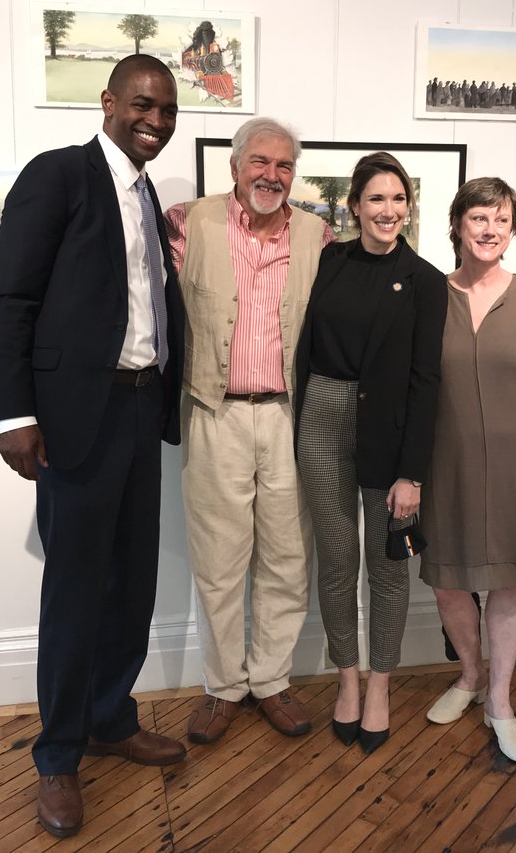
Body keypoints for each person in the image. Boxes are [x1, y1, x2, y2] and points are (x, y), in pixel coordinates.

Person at [0, 54, 187, 839]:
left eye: (167, 110)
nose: (155, 121)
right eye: (142, 104)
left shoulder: (145, 192)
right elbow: (8, 301)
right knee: (74, 591)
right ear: (108, 102)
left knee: (131, 583)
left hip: (139, 408)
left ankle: (109, 718)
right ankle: (58, 756)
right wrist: (15, 414)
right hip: (74, 417)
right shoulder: (58, 175)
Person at [165, 118, 333, 746]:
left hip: (291, 415)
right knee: (219, 558)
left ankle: (271, 679)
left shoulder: (318, 234)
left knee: (288, 556)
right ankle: (223, 684)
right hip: (215, 411)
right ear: (235, 166)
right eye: (259, 162)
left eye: (284, 165)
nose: (271, 175)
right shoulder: (188, 223)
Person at [295, 152, 447, 754]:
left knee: (386, 565)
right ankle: (347, 680)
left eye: (399, 198)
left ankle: (380, 684)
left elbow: (426, 381)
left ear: (409, 206)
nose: (389, 210)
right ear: (355, 205)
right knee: (336, 557)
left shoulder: (425, 280)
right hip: (322, 419)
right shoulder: (329, 262)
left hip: (390, 428)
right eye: (377, 198)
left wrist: (412, 473)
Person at [420, 178, 516, 763]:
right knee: (447, 575)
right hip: (442, 453)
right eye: (479, 217)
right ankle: (470, 675)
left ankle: (500, 700)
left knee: (508, 576)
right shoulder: (430, 295)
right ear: (458, 224)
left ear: (513, 229)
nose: (490, 229)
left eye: (501, 220)